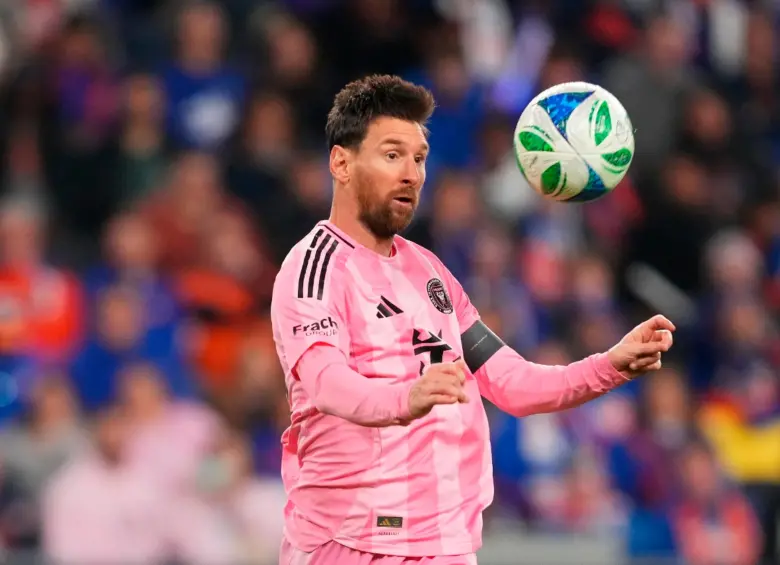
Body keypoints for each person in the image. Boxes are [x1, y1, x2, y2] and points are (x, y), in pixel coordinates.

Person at [270, 74, 675, 565]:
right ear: (342, 162)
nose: (411, 174)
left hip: (446, 546)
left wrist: (610, 364)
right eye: (392, 154)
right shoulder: (314, 267)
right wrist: (405, 398)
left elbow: (514, 384)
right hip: (353, 544)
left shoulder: (430, 273)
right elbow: (326, 383)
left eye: (419, 158)